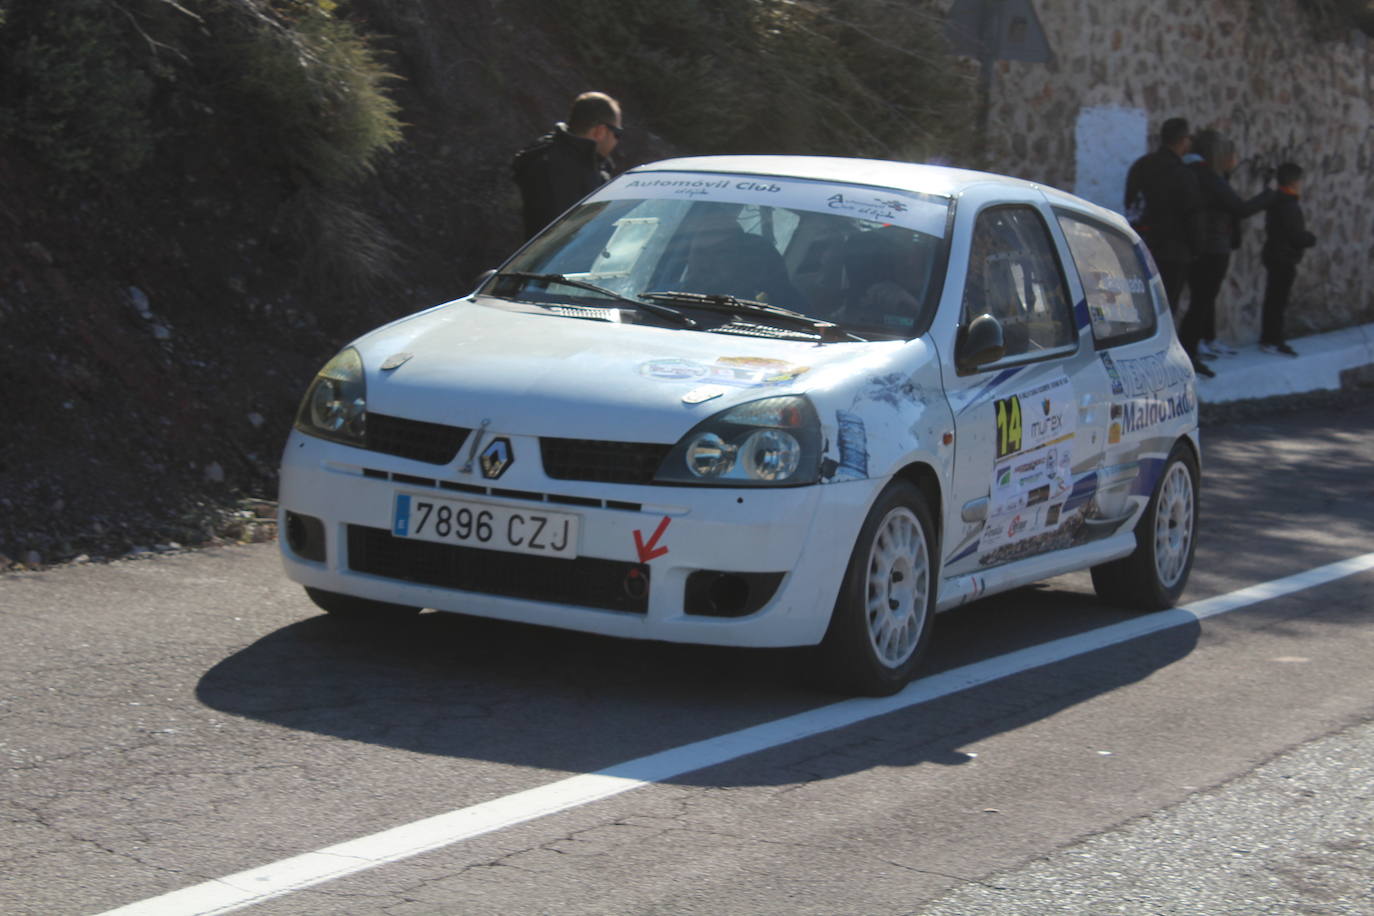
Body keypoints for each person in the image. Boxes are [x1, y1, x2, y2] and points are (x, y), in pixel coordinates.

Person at [1177, 129, 1273, 377]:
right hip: (1212, 247)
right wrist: (1268, 197)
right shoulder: (1208, 177)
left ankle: (1200, 344)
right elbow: (1239, 208)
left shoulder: (1192, 173)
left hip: (1200, 245)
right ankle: (1190, 352)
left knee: (1202, 300)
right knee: (1201, 301)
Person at [512, 91, 623, 240]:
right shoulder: (558, 168)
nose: (617, 141)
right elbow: (563, 238)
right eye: (617, 133)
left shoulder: (558, 156)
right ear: (600, 131)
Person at [1124, 117, 1201, 316]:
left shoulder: (1141, 166)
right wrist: (1197, 248)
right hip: (1174, 250)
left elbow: (1131, 204)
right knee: (1167, 307)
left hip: (1142, 244)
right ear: (1184, 140)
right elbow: (1192, 214)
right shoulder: (1184, 174)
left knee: (1143, 307)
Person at [1259, 162, 1317, 356]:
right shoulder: (1288, 204)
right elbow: (1295, 236)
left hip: (1275, 254)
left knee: (1274, 299)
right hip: (1283, 258)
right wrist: (1310, 238)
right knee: (1277, 301)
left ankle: (1270, 338)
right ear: (1294, 182)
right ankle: (1273, 339)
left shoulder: (1278, 200)